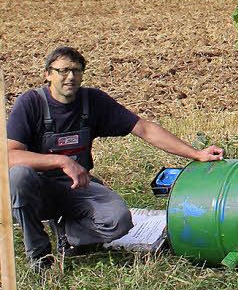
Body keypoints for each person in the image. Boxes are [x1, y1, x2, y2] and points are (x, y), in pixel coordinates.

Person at [5, 47, 225, 271]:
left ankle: (69, 234)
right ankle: (40, 255)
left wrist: (196, 153)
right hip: (37, 190)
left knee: (118, 221)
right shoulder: (30, 104)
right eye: (62, 71)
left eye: (76, 71)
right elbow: (10, 155)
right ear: (48, 74)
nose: (70, 77)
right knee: (18, 176)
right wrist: (62, 162)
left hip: (77, 187)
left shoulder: (92, 102)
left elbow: (145, 129)